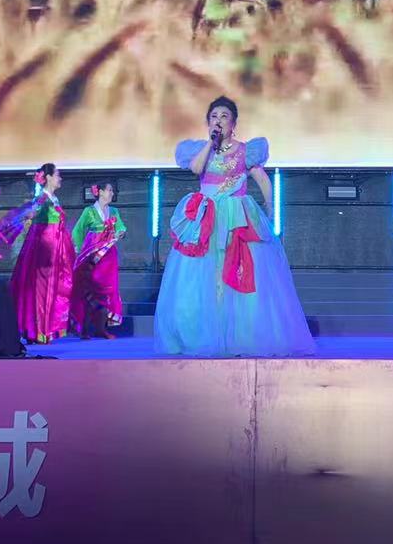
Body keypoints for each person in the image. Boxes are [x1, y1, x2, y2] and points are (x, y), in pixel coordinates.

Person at [155, 96, 315, 357]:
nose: (218, 121)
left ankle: (241, 335)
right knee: (203, 274)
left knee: (240, 270)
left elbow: (262, 180)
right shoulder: (201, 150)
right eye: (214, 116)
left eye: (224, 116)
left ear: (234, 123)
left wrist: (270, 206)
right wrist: (211, 143)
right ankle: (204, 333)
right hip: (207, 218)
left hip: (237, 216)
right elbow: (196, 169)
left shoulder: (246, 151)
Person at [7, 164, 75, 344]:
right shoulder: (42, 198)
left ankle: (44, 329)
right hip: (45, 248)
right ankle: (38, 330)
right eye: (58, 175)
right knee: (41, 288)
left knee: (54, 288)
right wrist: (28, 214)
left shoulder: (54, 199)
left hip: (55, 248)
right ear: (49, 177)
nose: (60, 178)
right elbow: (33, 212)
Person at [71, 181, 127, 337]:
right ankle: (84, 329)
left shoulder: (114, 211)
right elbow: (77, 231)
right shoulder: (89, 211)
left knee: (108, 291)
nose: (112, 193)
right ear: (100, 192)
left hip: (109, 257)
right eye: (109, 190)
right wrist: (80, 252)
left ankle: (101, 329)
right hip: (93, 258)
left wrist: (121, 232)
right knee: (91, 289)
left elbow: (120, 226)